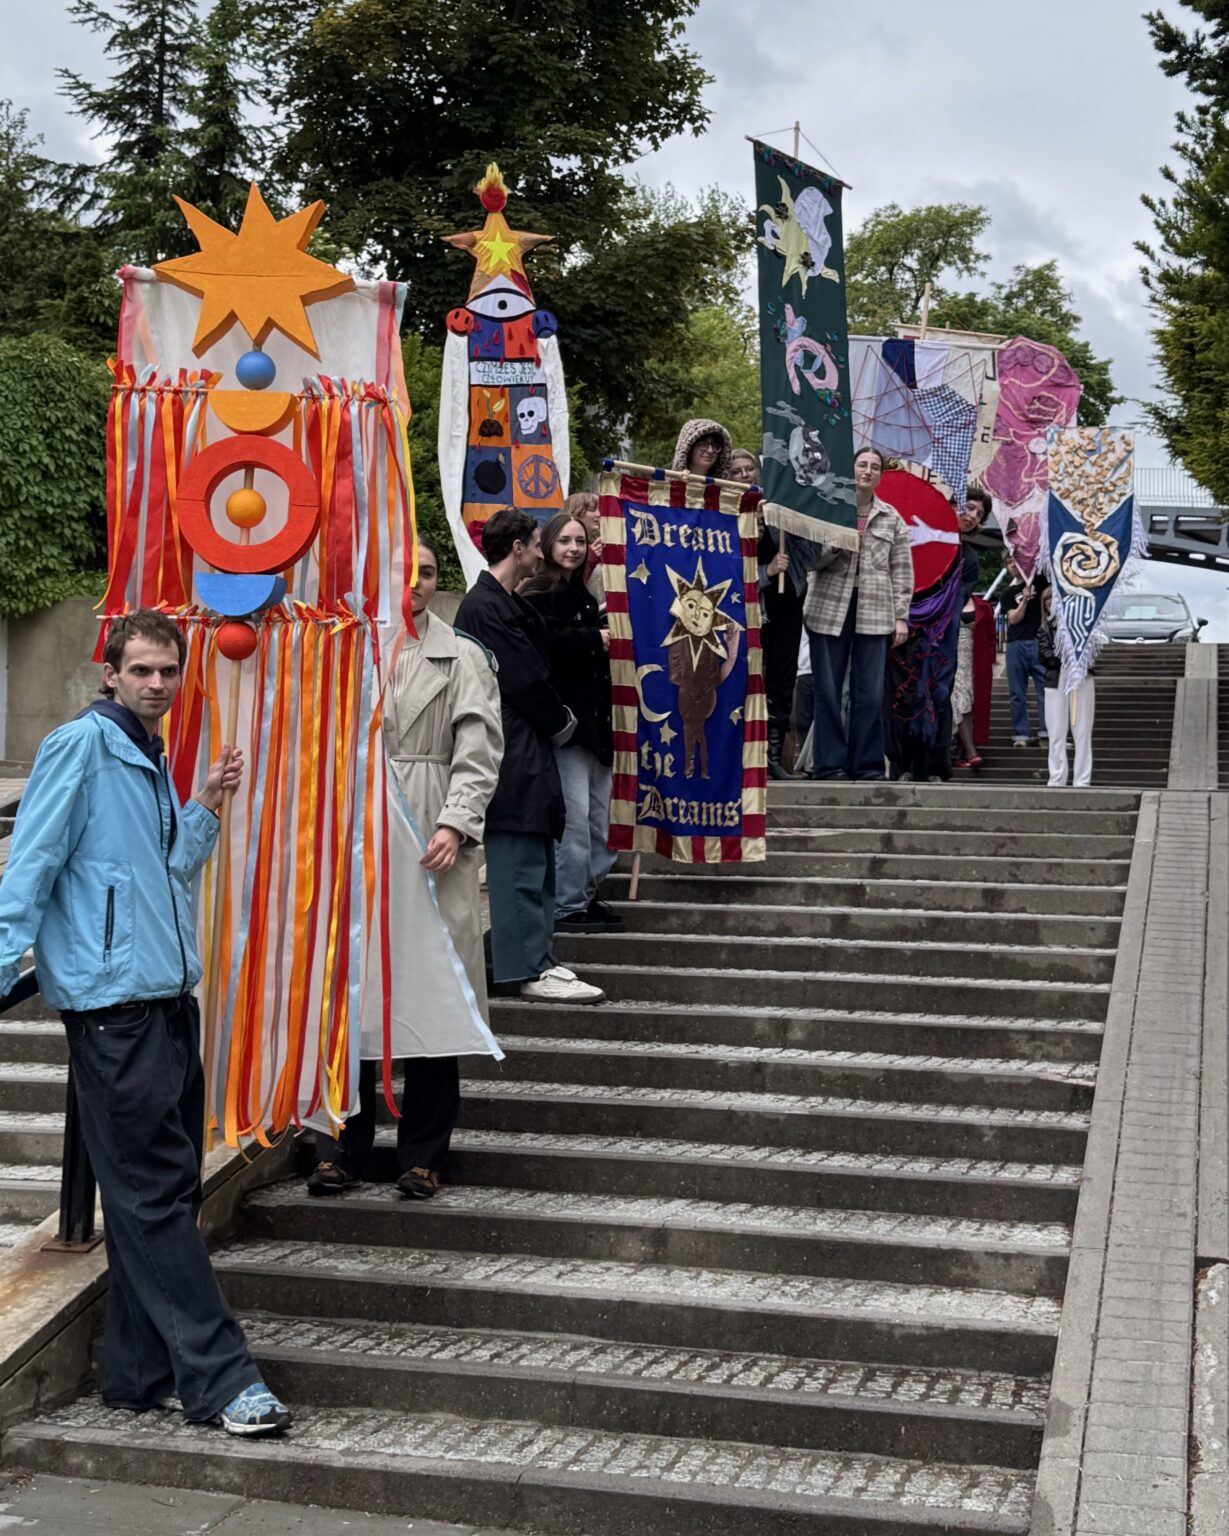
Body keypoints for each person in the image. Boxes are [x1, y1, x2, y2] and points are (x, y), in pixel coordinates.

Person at [0, 609, 290, 1436]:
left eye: (168, 671)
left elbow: (158, 875)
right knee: (156, 1200)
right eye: (142, 671)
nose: (157, 684)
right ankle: (224, 1380)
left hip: (163, 1001)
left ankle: (135, 1373)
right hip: (111, 1010)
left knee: (156, 1195)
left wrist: (200, 807)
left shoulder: (147, 752)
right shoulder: (80, 746)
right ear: (110, 671)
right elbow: (32, 870)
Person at [309, 538, 504, 1200]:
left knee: (432, 987)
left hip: (425, 830)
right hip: (350, 833)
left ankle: (423, 1153)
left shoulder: (463, 656)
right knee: (348, 989)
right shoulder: (341, 646)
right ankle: (340, 1144)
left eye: (425, 571)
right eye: (401, 570)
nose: (415, 581)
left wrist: (455, 819)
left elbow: (478, 746)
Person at [455, 507, 605, 1005]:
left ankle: (535, 957)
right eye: (537, 543)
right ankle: (524, 964)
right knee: (518, 850)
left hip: (526, 742)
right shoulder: (484, 605)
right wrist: (561, 720)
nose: (542, 551)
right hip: (511, 741)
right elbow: (520, 676)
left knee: (535, 850)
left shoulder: (507, 602)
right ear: (518, 547)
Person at [521, 510, 619, 934]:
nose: (574, 549)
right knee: (575, 820)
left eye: (580, 541)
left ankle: (588, 893)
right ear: (549, 546)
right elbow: (542, 642)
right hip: (568, 726)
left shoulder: (582, 595)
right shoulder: (536, 593)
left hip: (598, 726)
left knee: (599, 820)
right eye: (565, 541)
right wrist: (592, 638)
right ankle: (568, 903)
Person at [803, 445, 913, 780]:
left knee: (869, 693)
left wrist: (900, 616)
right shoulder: (829, 507)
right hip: (827, 608)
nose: (867, 471)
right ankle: (828, 764)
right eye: (862, 465)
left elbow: (902, 570)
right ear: (851, 469)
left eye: (874, 467)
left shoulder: (891, 517)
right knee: (828, 690)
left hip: (875, 612)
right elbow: (810, 560)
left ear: (881, 474)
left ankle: (867, 766)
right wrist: (837, 541)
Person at [737, 446, 816, 781]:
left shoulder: (776, 510)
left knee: (781, 680)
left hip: (784, 606)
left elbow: (809, 553)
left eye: (749, 470)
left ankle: (772, 755)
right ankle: (743, 755)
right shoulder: (723, 515)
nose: (744, 476)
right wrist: (765, 572)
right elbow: (724, 572)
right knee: (745, 678)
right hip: (745, 608)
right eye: (737, 471)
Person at [952, 487, 991, 768]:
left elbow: (959, 595)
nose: (973, 515)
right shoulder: (925, 537)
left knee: (961, 687)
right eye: (969, 507)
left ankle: (966, 748)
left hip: (953, 628)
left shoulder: (971, 557)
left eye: (979, 513)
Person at [1040, 593, 1095, 787]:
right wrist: (1064, 654)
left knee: (1082, 730)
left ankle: (1082, 779)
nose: (1053, 606)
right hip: (1056, 680)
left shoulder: (1085, 627)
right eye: (1049, 604)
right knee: (1056, 731)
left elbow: (1093, 653)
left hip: (1081, 678)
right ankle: (1057, 777)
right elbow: (1045, 656)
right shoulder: (1045, 629)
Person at [997, 556, 1050, 746]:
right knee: (1016, 692)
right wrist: (1025, 601)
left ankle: (1047, 730)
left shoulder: (1040, 580)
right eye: (1009, 562)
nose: (1013, 565)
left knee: (1044, 689)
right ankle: (1021, 734)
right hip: (1015, 643)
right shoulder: (1007, 593)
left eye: (1015, 561)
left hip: (1038, 641)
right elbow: (1013, 619)